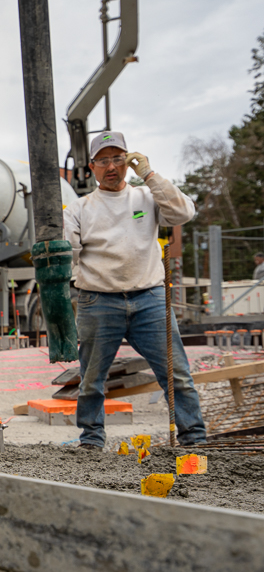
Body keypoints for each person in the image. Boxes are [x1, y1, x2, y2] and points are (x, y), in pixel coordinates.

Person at [63, 131, 207, 449]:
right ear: (92, 166)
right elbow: (68, 252)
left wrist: (150, 175)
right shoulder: (79, 209)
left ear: (129, 161)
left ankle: (193, 438)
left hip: (149, 298)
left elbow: (184, 213)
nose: (111, 166)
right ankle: (91, 439)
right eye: (103, 160)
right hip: (99, 300)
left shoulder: (146, 197)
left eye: (118, 158)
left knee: (176, 373)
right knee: (91, 379)